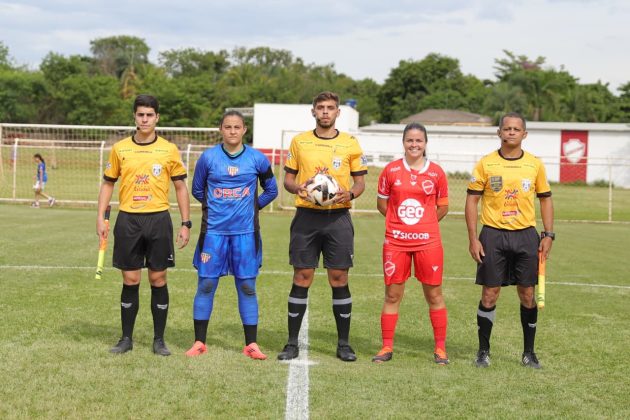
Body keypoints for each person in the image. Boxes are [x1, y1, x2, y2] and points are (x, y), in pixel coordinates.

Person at [96, 94, 191, 356]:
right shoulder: (120, 148)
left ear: (157, 117)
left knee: (158, 278)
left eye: (150, 115)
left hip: (158, 219)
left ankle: (159, 340)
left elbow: (180, 187)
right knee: (130, 278)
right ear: (135, 117)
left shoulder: (169, 149)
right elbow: (108, 183)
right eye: (141, 114)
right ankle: (126, 338)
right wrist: (100, 217)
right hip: (128, 219)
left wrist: (185, 223)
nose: (145, 119)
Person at [277, 91, 367, 362]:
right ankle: (292, 343)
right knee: (302, 276)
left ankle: (344, 344)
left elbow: (360, 183)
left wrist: (350, 194)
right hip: (306, 217)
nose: (325, 112)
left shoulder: (350, 143)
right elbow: (288, 180)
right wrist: (298, 188)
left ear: (338, 112)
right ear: (313, 111)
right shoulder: (300, 141)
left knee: (339, 278)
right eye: (321, 107)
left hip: (338, 218)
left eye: (330, 108)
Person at [186, 110, 278, 360]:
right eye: (228, 127)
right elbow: (197, 189)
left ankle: (251, 345)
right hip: (213, 233)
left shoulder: (257, 159)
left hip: (246, 233)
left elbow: (272, 190)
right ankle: (199, 342)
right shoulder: (208, 158)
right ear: (221, 129)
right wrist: (217, 207)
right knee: (206, 284)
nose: (232, 131)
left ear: (244, 130)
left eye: (237, 127)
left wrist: (252, 207)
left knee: (247, 286)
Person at [465, 112, 554, 369]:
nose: (511, 132)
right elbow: (471, 201)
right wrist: (473, 238)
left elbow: (545, 199)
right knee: (489, 294)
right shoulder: (486, 163)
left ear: (524, 134)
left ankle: (529, 353)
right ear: (499, 132)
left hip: (526, 235)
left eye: (516, 129)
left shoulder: (535, 164)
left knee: (527, 294)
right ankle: (483, 351)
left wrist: (548, 234)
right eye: (507, 128)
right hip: (493, 235)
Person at [373, 123, 450, 365]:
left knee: (434, 294)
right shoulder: (391, 170)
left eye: (418, 140)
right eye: (410, 140)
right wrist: (399, 223)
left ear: (425, 143)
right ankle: (386, 347)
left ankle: (440, 349)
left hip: (428, 242)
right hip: (396, 242)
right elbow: (382, 204)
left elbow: (443, 207)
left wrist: (424, 224)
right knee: (392, 295)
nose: (414, 144)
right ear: (403, 142)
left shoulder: (436, 172)